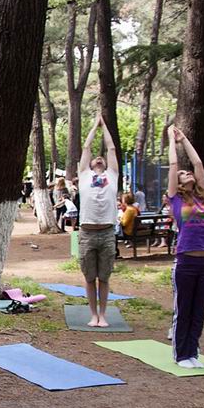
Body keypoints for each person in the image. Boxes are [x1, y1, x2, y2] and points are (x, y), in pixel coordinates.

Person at [167, 125, 204, 369]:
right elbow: (174, 166)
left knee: (200, 311)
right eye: (183, 174)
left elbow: (198, 164)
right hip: (186, 262)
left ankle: (193, 351)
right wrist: (171, 141)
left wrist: (185, 139)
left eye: (190, 173)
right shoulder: (175, 199)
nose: (187, 173)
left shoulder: (203, 197)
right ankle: (180, 354)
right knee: (184, 310)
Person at [76, 112, 120, 327]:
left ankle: (103, 315)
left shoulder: (112, 175)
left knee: (104, 278)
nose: (99, 158)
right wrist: (94, 126)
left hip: (107, 232)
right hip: (87, 233)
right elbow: (86, 149)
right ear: (91, 164)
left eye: (101, 158)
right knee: (88, 277)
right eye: (96, 158)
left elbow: (111, 149)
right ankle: (93, 315)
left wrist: (105, 128)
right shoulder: (84, 174)